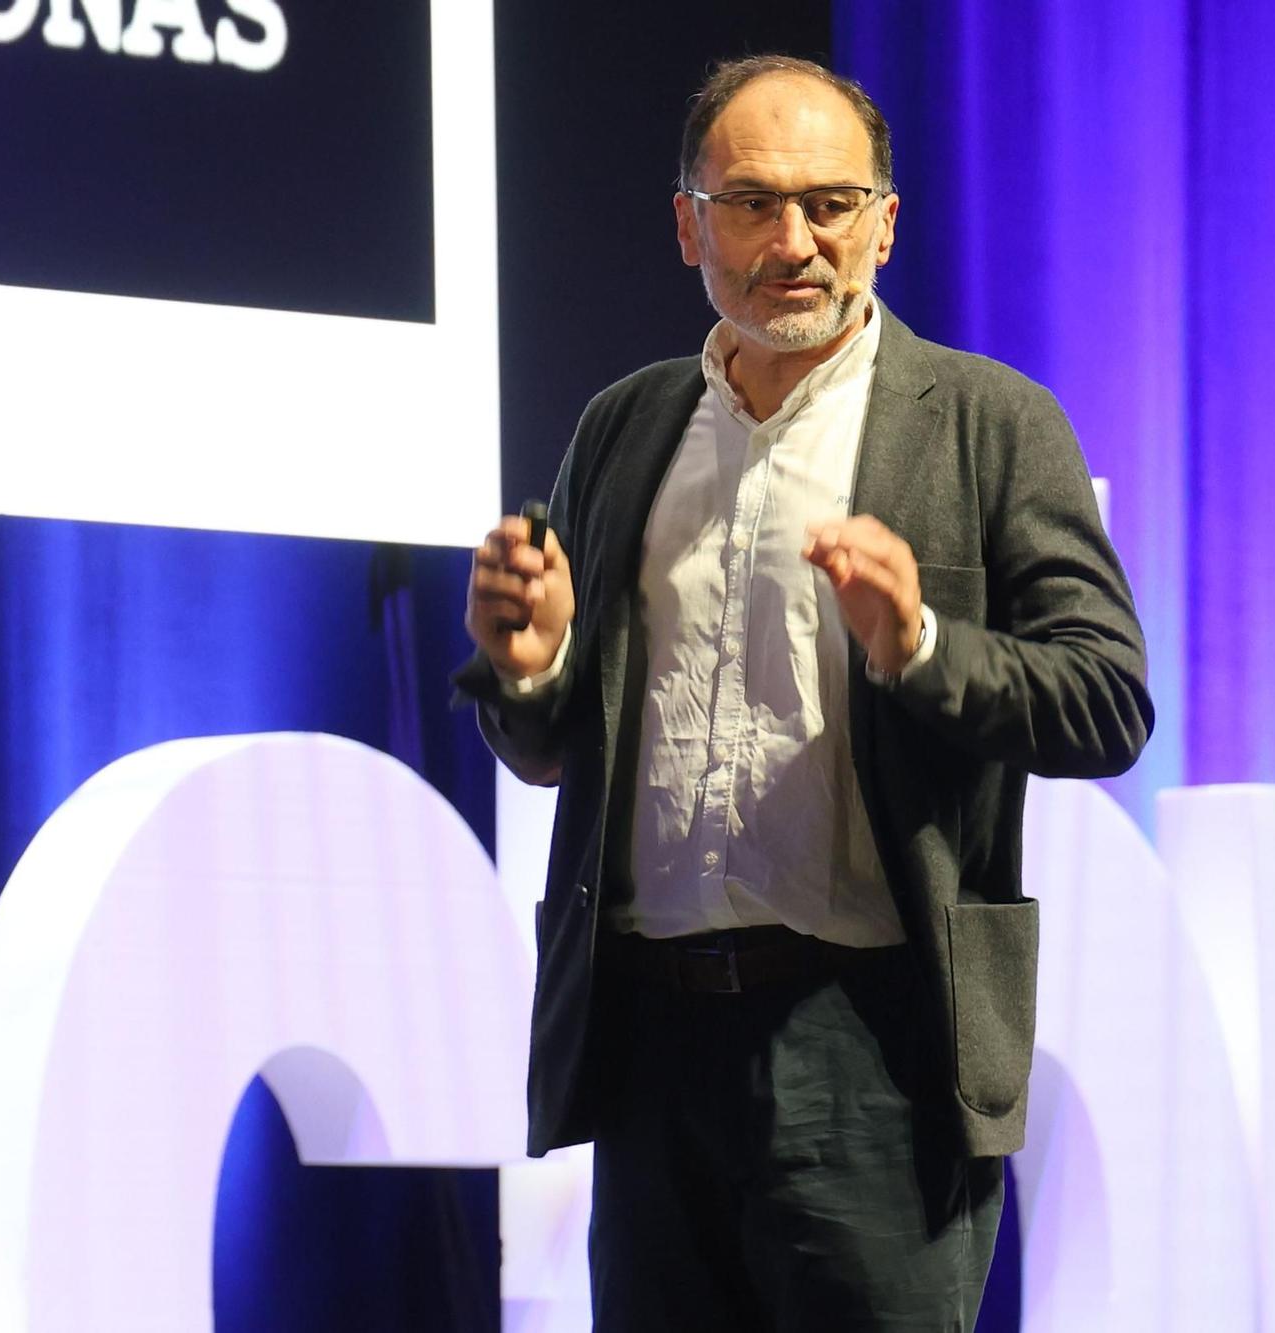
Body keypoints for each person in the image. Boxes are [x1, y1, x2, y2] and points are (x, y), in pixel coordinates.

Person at [456, 54, 1150, 1332]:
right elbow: (558, 748)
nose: (794, 241)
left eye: (831, 204)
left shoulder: (987, 424)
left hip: (874, 1047)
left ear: (885, 221)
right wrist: (530, 664)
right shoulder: (626, 427)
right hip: (654, 1046)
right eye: (751, 202)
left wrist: (920, 643)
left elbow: (1107, 700)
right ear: (685, 224)